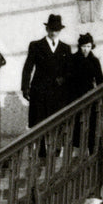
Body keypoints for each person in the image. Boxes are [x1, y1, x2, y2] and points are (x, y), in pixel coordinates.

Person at [21, 14, 71, 155]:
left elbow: (70, 70)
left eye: (56, 29)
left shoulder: (65, 48)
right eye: (51, 28)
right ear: (47, 29)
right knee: (40, 120)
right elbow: (28, 67)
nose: (53, 32)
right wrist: (25, 87)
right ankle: (42, 150)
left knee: (58, 120)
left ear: (60, 30)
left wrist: (64, 79)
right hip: (40, 90)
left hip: (58, 92)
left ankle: (56, 149)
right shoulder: (36, 45)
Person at [69, 32, 103, 153]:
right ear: (79, 46)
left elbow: (100, 80)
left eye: (88, 46)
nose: (86, 49)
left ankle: (91, 152)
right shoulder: (72, 60)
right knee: (76, 129)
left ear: (92, 46)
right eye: (84, 46)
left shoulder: (94, 61)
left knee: (91, 126)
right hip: (75, 96)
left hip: (90, 97)